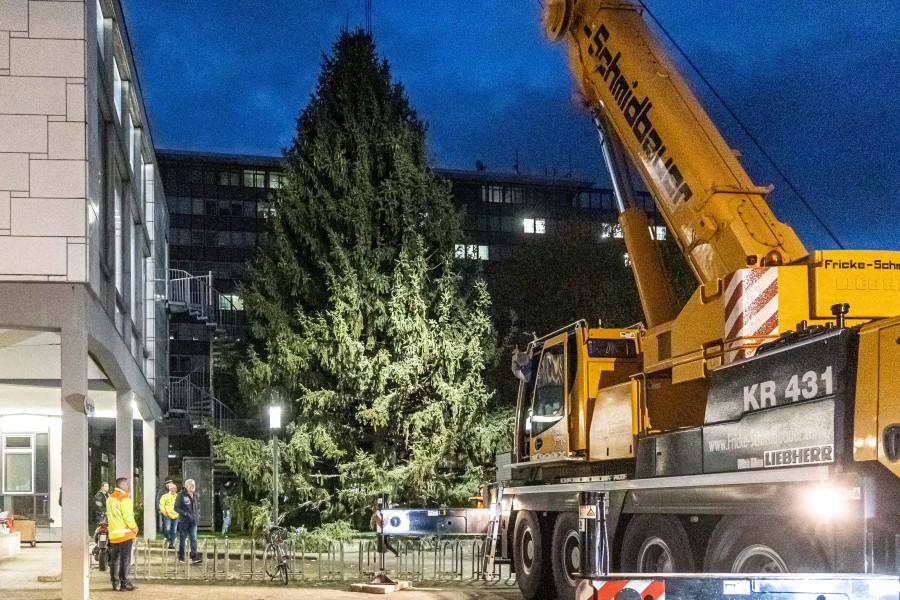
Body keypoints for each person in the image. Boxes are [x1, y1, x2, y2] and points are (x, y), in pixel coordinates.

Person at [106, 477, 138, 592]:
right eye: (126, 484)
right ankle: (124, 584)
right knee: (125, 559)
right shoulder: (124, 499)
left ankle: (115, 584)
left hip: (114, 535)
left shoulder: (110, 498)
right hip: (125, 534)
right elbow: (128, 517)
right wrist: (134, 528)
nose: (128, 486)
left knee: (114, 560)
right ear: (122, 485)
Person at [175, 479, 201, 564]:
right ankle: (181, 557)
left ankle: (194, 557)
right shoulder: (181, 495)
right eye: (191, 485)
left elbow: (198, 506)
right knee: (182, 538)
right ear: (186, 486)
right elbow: (176, 507)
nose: (193, 486)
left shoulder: (196, 495)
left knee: (193, 538)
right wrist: (185, 514)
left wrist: (197, 515)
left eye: (194, 485)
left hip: (193, 521)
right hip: (184, 521)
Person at [158, 482, 178, 549]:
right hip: (167, 515)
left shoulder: (178, 497)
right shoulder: (165, 496)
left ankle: (171, 543)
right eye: (172, 488)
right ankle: (168, 539)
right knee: (167, 529)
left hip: (176, 516)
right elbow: (161, 504)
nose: (174, 489)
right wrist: (164, 512)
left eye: (175, 488)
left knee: (174, 530)